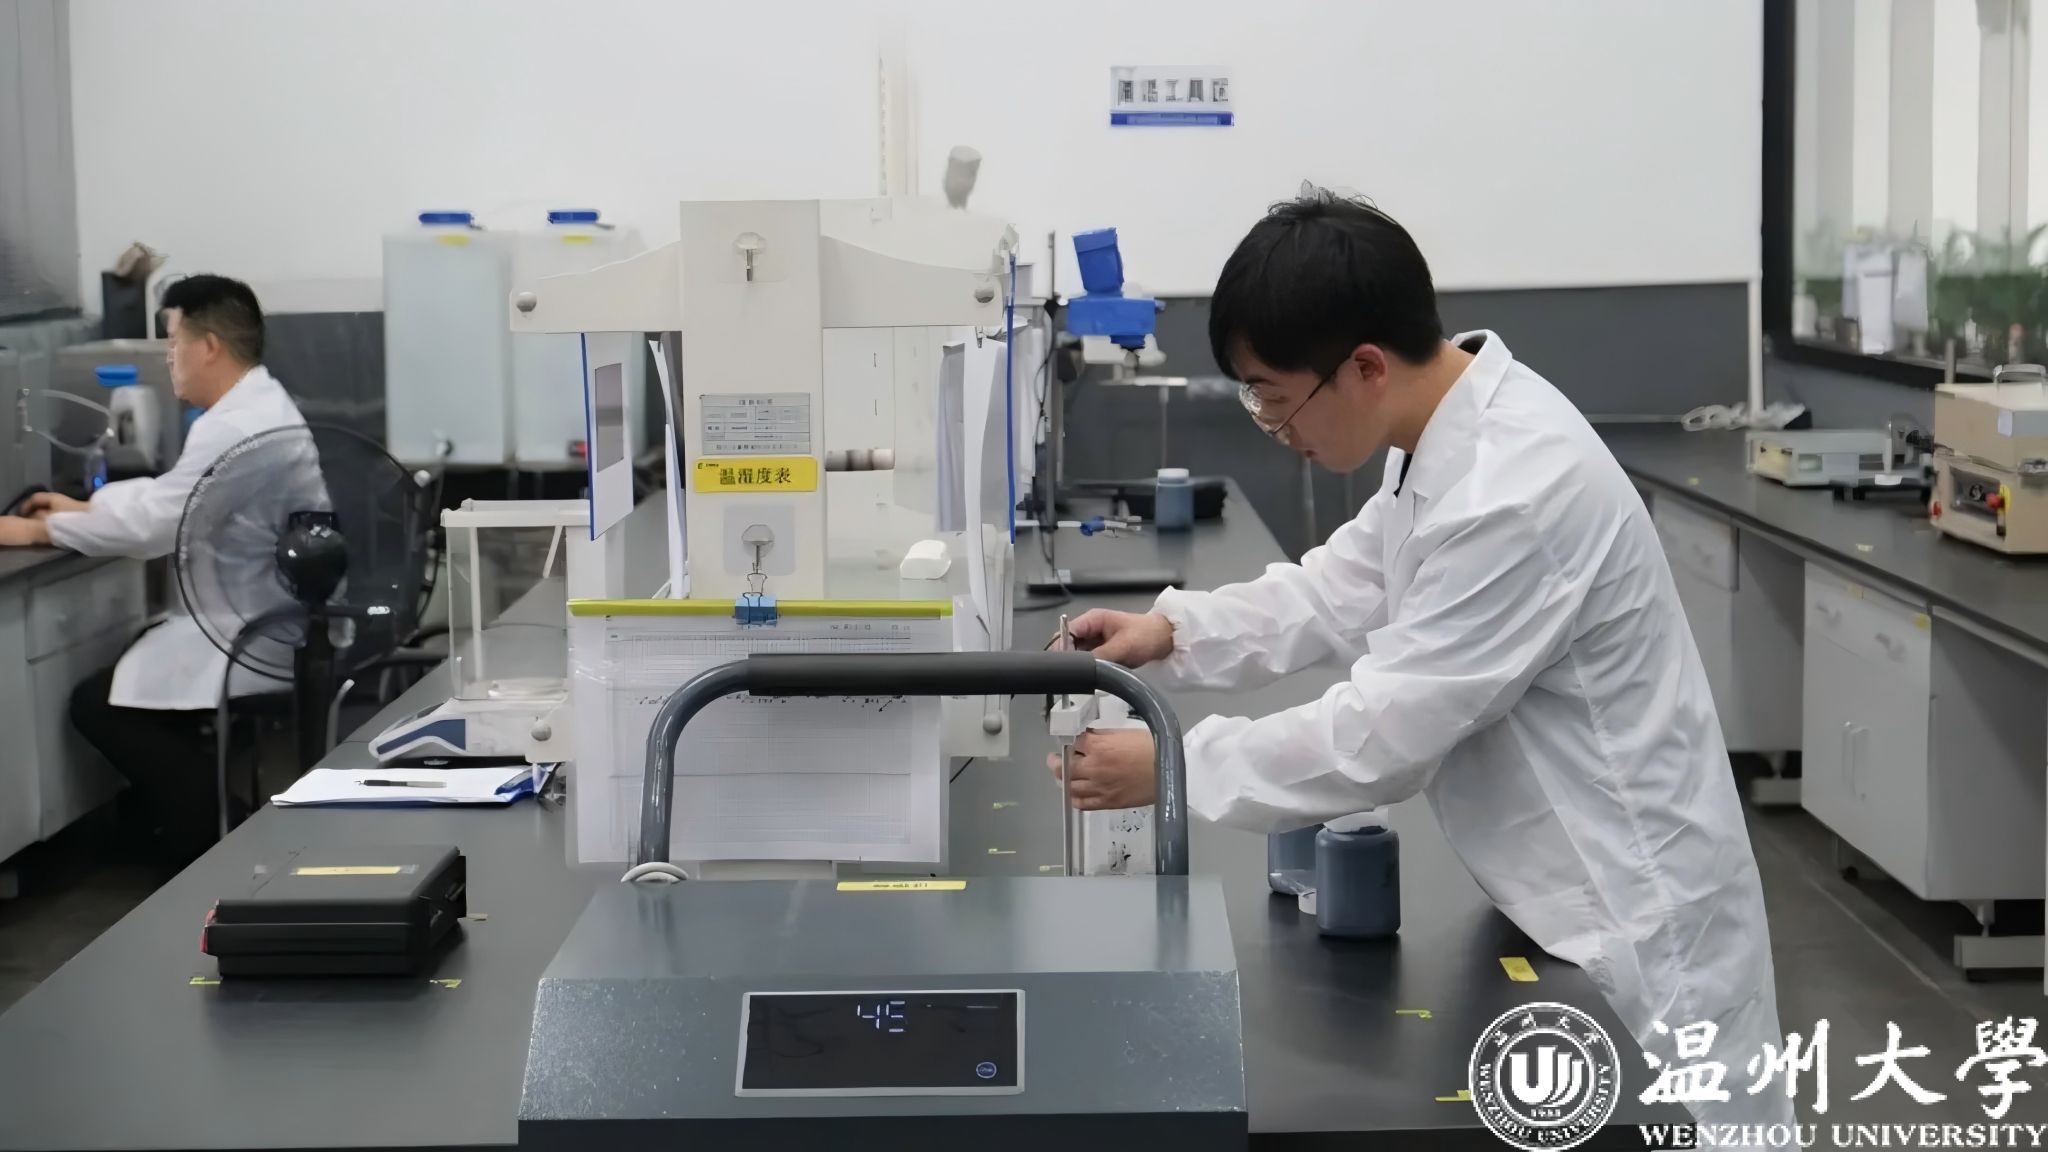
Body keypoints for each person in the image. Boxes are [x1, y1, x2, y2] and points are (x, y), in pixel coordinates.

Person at [1050, 191, 1788, 1128]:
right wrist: (1174, 631)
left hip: (1640, 924)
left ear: (1364, 367)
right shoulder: (1440, 432)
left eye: (1273, 397)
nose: (1273, 424)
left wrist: (1174, 767)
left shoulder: (1513, 492)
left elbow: (1383, 736)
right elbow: (1342, 585)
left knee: (1697, 1130)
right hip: (1558, 889)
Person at [0, 274, 307, 866]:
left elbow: (159, 524)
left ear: (208, 346)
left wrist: (37, 530)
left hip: (247, 626)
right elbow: (179, 496)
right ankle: (200, 829)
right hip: (266, 613)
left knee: (98, 706)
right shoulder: (258, 404)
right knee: (124, 683)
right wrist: (84, 508)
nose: (168, 356)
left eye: (173, 341)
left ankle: (221, 841)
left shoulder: (232, 426)